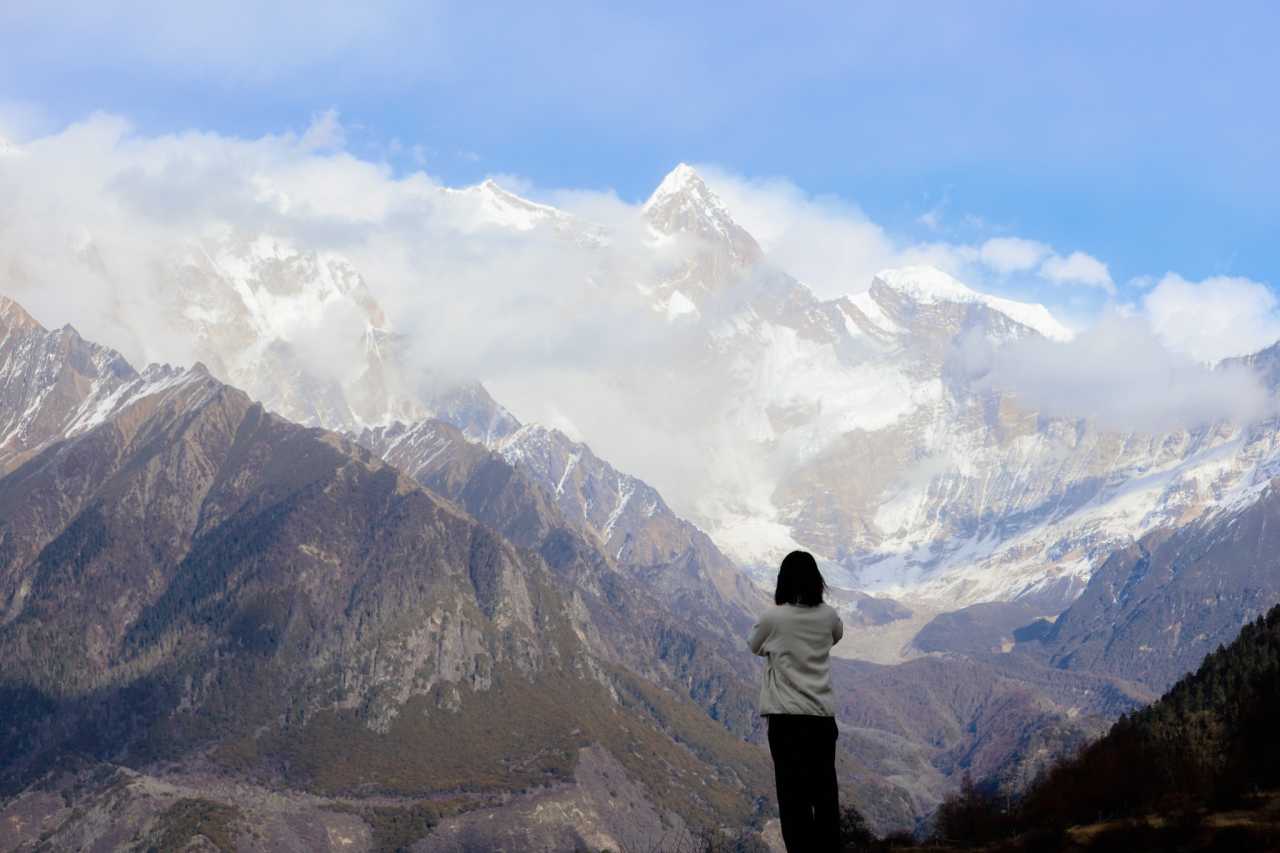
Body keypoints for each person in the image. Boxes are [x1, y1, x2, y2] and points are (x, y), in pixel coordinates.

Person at [748, 550, 844, 852]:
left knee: (793, 799)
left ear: (783, 581)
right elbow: (836, 636)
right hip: (821, 718)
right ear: (817, 581)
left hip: (785, 721)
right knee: (825, 795)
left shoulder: (773, 618)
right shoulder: (829, 616)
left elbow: (754, 646)